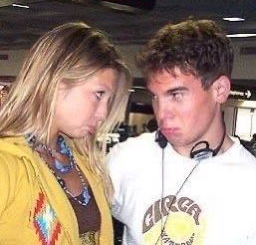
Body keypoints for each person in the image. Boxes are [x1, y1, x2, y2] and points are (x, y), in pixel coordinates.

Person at [107, 19, 256, 245]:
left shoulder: (250, 183)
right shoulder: (125, 160)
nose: (162, 113)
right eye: (155, 97)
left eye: (176, 95)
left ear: (220, 90)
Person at [0, 22, 131, 244]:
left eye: (108, 101)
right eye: (98, 95)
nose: (103, 114)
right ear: (57, 83)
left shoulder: (85, 163)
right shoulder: (7, 163)